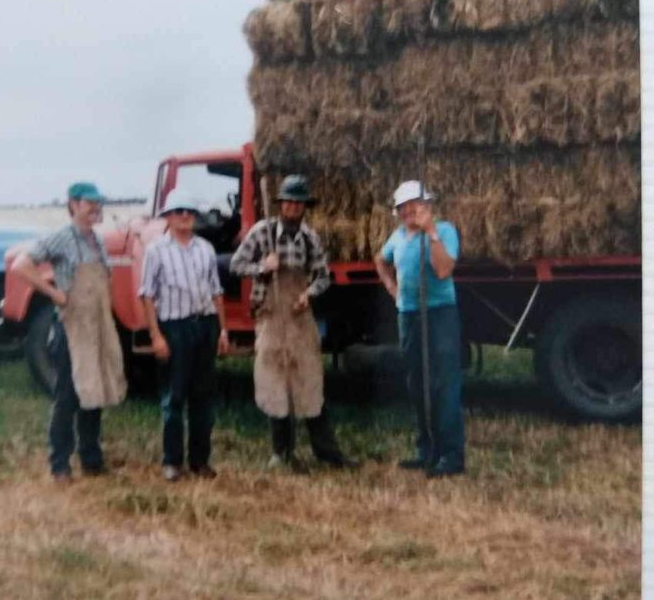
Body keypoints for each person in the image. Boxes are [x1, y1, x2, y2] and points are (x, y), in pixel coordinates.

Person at [229, 174, 352, 471]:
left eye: (299, 203)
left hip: (299, 318)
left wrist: (308, 294)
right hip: (271, 318)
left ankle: (327, 453)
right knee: (275, 381)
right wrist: (263, 267)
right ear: (281, 203)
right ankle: (281, 453)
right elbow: (235, 265)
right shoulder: (262, 232)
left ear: (304, 206)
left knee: (309, 379)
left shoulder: (310, 238)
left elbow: (324, 276)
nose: (293, 208)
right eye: (289, 202)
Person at [11, 181, 126, 480]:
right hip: (70, 329)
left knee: (94, 390)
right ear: (73, 204)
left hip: (96, 327)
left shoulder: (97, 241)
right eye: (90, 204)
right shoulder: (61, 238)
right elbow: (21, 265)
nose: (95, 210)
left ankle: (91, 458)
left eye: (98, 204)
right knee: (67, 396)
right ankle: (59, 463)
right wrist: (55, 294)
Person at [374, 180, 465, 477]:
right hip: (409, 315)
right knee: (417, 383)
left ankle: (450, 456)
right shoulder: (398, 236)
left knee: (444, 383)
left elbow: (442, 270)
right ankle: (426, 450)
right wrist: (391, 286)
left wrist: (431, 233)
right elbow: (381, 259)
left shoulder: (445, 231)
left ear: (428, 206)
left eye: (415, 205)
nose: (409, 211)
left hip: (439, 314)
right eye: (404, 207)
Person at [139, 189, 230, 481]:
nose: (185, 217)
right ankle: (172, 462)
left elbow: (216, 291)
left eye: (190, 212)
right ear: (168, 216)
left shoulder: (205, 248)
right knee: (174, 397)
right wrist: (156, 336)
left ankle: (200, 461)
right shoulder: (156, 250)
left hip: (205, 326)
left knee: (203, 398)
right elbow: (147, 295)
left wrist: (223, 329)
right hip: (174, 329)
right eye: (179, 211)